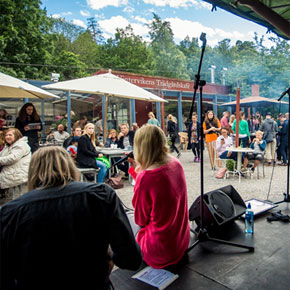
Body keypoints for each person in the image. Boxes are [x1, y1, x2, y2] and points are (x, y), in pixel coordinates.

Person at [0, 146, 142, 290]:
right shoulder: (100, 195)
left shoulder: (10, 212)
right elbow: (130, 258)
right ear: (70, 166)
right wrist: (108, 256)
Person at [128, 125, 190, 269]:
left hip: (159, 251)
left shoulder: (145, 178)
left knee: (128, 221)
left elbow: (140, 220)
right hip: (180, 241)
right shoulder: (176, 163)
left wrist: (139, 178)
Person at [0, 128, 31, 199]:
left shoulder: (20, 145)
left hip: (19, 177)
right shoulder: (9, 146)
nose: (7, 137)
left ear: (16, 135)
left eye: (10, 135)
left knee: (19, 198)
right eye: (6, 135)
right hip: (14, 177)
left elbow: (13, 158)